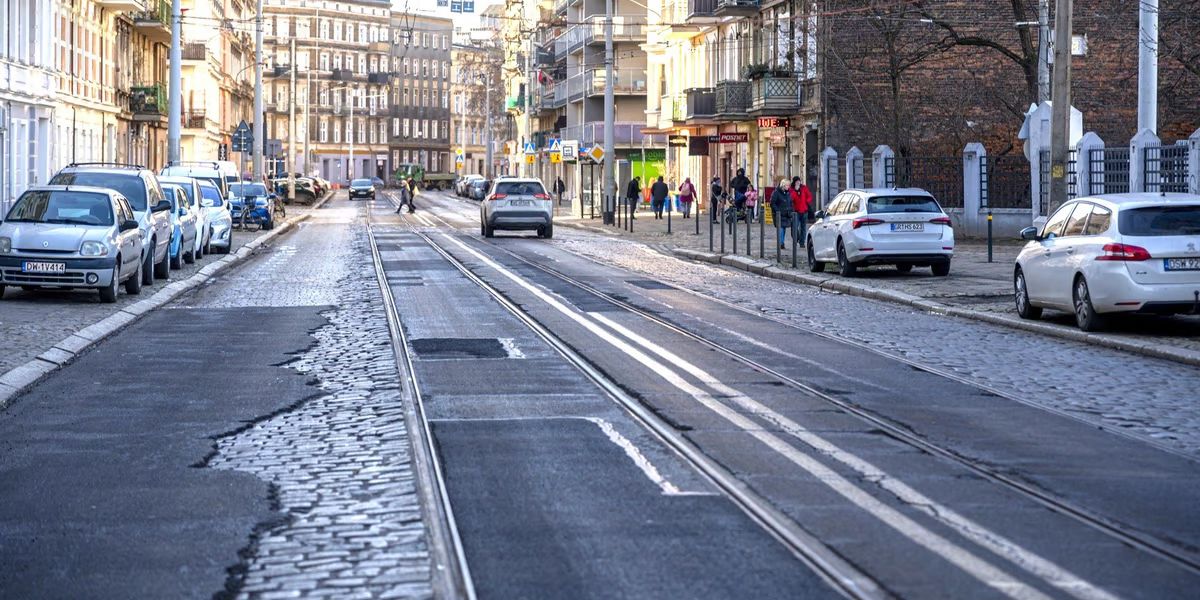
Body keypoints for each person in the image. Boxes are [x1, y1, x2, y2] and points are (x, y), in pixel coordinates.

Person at [790, 176, 814, 247]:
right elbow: (791, 198)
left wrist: (807, 201)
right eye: (796, 182)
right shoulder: (791, 189)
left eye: (799, 181)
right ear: (794, 182)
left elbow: (810, 196)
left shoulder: (804, 188)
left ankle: (802, 242)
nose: (798, 183)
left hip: (804, 210)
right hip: (796, 211)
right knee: (794, 226)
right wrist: (795, 191)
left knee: (803, 228)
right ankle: (796, 239)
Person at [770, 178, 794, 249]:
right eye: (787, 185)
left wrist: (791, 209)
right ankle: (781, 243)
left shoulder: (788, 193)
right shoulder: (776, 192)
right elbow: (772, 203)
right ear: (783, 185)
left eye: (788, 185)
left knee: (784, 228)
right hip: (779, 214)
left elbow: (790, 202)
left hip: (786, 214)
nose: (788, 187)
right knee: (780, 228)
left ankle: (782, 242)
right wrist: (777, 211)